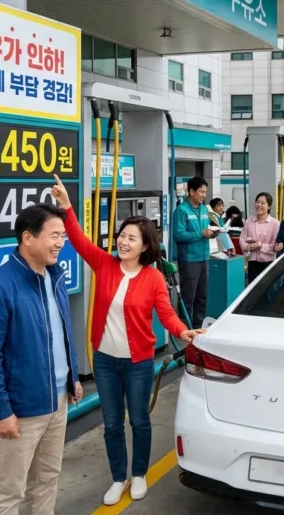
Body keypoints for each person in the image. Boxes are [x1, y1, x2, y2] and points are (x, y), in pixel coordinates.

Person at [49, 175, 206, 505]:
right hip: (104, 360)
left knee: (139, 420)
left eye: (131, 238)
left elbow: (166, 314)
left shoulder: (153, 278)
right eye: (122, 236)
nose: (123, 242)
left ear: (145, 245)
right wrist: (66, 206)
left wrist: (182, 331)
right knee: (111, 423)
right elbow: (78, 240)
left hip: (138, 362)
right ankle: (118, 477)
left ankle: (139, 474)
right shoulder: (105, 264)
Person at [0, 204, 83, 515]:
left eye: (63, 236)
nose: (61, 242)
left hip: (57, 402)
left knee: (47, 480)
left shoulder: (53, 276)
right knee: (9, 493)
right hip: (19, 411)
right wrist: (0, 410)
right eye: (54, 235)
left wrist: (72, 375)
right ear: (27, 238)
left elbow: (61, 332)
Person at [172, 176, 215, 328]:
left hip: (204, 257)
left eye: (205, 192)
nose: (204, 195)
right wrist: (201, 234)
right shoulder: (181, 211)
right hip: (189, 260)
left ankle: (198, 327)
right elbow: (178, 235)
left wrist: (212, 232)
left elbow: (205, 229)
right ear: (191, 191)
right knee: (188, 296)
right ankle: (184, 328)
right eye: (201, 192)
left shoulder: (204, 209)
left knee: (202, 296)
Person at [240, 192, 279, 282]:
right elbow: (242, 240)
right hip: (252, 262)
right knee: (253, 291)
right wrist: (249, 246)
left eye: (263, 203)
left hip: (269, 262)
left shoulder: (275, 223)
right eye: (257, 202)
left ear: (269, 206)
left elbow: (275, 245)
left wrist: (260, 246)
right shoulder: (248, 222)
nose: (259, 205)